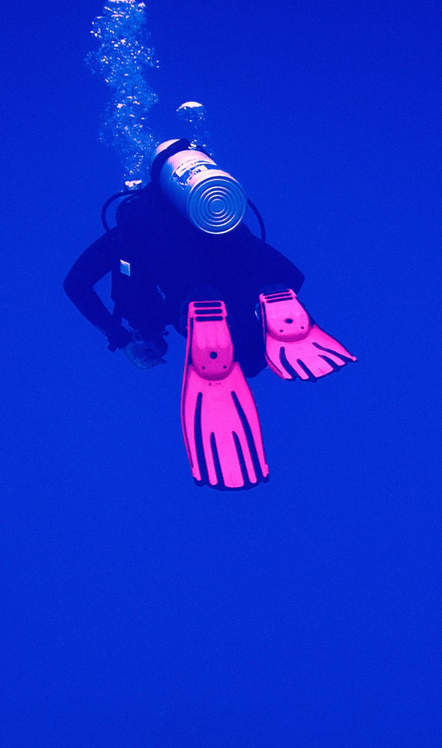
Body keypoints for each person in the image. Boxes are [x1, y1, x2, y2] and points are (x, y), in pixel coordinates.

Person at [63, 137, 354, 489]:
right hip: (248, 269)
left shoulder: (133, 226)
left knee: (225, 337)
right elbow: (296, 275)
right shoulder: (209, 210)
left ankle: (203, 307)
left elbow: (76, 284)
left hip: (186, 294)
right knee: (252, 283)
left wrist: (122, 337)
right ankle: (272, 295)